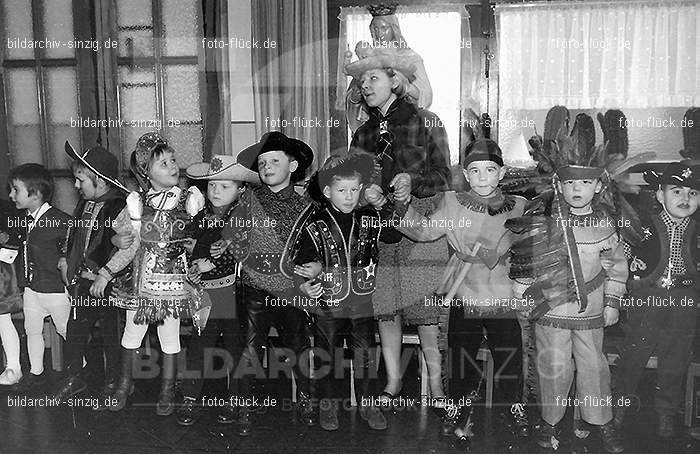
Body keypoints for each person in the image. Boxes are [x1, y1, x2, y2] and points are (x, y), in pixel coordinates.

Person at [395, 139, 530, 437]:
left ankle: (512, 408)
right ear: (466, 175)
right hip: (463, 289)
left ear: (502, 172)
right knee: (461, 354)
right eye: (475, 171)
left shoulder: (519, 206)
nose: (482, 177)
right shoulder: (452, 202)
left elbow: (529, 245)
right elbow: (424, 230)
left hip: (501, 292)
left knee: (509, 351)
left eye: (490, 170)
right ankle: (458, 407)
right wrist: (400, 206)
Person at [345, 46, 451, 410]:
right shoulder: (362, 134)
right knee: (386, 309)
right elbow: (349, 183)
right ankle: (392, 382)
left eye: (373, 77)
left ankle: (435, 386)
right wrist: (363, 192)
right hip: (378, 227)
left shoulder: (428, 121)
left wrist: (412, 181)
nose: (365, 85)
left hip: (419, 224)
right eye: (360, 81)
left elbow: (444, 177)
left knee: (424, 313)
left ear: (395, 80)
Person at [506, 134, 627, 453]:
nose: (577, 190)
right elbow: (526, 260)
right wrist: (523, 288)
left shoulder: (606, 224)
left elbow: (616, 266)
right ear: (558, 186)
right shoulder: (545, 223)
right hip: (552, 310)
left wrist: (613, 301)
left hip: (591, 312)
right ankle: (550, 423)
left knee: (595, 368)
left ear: (599, 186)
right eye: (571, 183)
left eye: (586, 182)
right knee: (553, 367)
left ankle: (599, 422)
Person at [214, 131, 317, 433]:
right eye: (262, 163)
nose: (267, 167)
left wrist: (313, 268)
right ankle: (242, 403)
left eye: (274, 161)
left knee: (297, 345)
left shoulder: (306, 206)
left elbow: (313, 245)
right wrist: (230, 245)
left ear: (293, 166)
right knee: (250, 346)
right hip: (255, 286)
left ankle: (308, 400)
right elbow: (231, 234)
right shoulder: (249, 200)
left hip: (290, 287)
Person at [294, 152, 398, 431]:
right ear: (328, 191)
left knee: (365, 355)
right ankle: (328, 406)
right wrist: (308, 280)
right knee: (327, 355)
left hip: (362, 303)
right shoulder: (314, 224)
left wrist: (384, 204)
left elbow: (393, 234)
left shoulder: (370, 219)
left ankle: (368, 404)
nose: (349, 196)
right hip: (327, 303)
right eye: (342, 190)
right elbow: (302, 264)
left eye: (355, 189)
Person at [108, 132, 205, 415]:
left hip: (173, 281)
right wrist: (117, 239)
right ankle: (125, 384)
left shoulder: (190, 199)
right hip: (140, 281)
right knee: (132, 333)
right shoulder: (137, 202)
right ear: (146, 172)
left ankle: (166, 389)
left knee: (170, 336)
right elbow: (122, 233)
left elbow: (202, 234)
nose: (172, 166)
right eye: (163, 163)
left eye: (173, 160)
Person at [613, 162, 700, 440]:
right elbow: (621, 254)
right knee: (634, 351)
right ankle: (619, 404)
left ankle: (666, 411)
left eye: (693, 193)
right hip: (646, 297)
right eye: (676, 191)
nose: (685, 199)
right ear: (660, 196)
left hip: (685, 299)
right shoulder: (642, 223)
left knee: (677, 354)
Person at [175, 155, 259, 433]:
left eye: (224, 186)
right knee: (200, 347)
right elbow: (192, 247)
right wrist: (194, 267)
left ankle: (237, 399)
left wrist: (214, 261)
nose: (216, 192)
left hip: (234, 295)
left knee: (236, 349)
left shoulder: (245, 217)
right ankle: (189, 398)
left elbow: (246, 249)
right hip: (206, 295)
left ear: (240, 190)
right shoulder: (200, 218)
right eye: (212, 186)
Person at [53, 143, 138, 408]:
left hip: (107, 284)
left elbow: (129, 245)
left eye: (80, 180)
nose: (77, 186)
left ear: (99, 180)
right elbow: (74, 235)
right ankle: (75, 376)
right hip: (82, 280)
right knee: (76, 331)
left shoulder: (117, 207)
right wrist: (66, 259)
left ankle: (113, 381)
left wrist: (106, 273)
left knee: (111, 335)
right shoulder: (84, 205)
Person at [9, 164, 71, 392]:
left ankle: (80, 372)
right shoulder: (24, 219)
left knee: (67, 331)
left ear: (34, 194)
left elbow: (73, 249)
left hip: (55, 290)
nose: (11, 195)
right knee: (32, 330)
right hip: (32, 290)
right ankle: (36, 373)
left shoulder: (60, 220)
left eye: (16, 190)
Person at [343, 4, 433, 133]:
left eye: (384, 28)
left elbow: (425, 94)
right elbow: (356, 90)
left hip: (403, 124)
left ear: (394, 28)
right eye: (375, 28)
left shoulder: (408, 57)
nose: (379, 33)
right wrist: (355, 98)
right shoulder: (368, 57)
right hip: (373, 125)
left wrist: (404, 88)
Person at [0, 198, 25, 386]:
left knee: (2, 319)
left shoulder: (6, 210)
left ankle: (13, 368)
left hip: (3, 272)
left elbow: (14, 242)